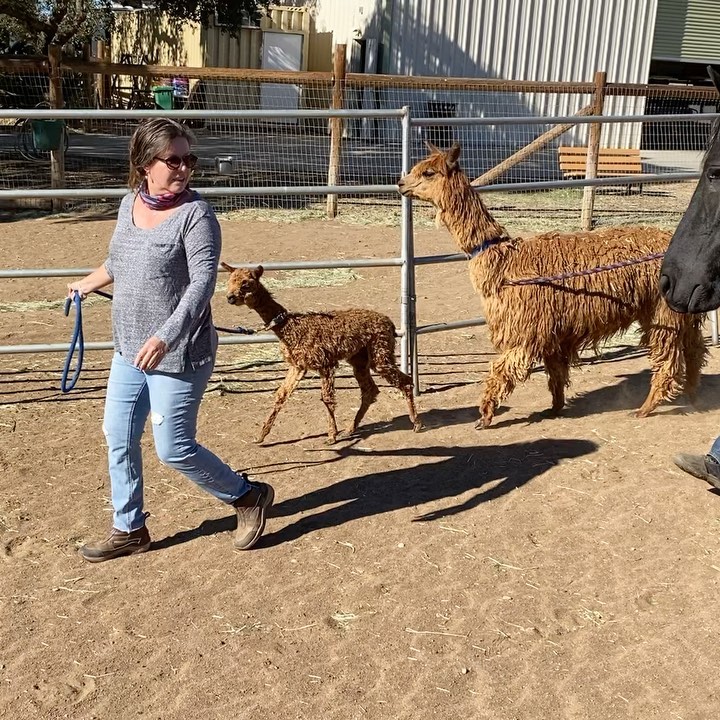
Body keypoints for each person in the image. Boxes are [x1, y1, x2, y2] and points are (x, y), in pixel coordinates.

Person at [68, 117, 274, 562]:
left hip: (179, 351)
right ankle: (129, 528)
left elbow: (201, 286)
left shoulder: (196, 216)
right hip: (129, 348)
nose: (183, 168)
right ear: (145, 164)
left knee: (174, 448)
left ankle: (247, 496)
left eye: (189, 160)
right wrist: (85, 283)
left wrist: (165, 336)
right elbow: (117, 261)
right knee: (118, 434)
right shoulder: (128, 206)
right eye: (173, 160)